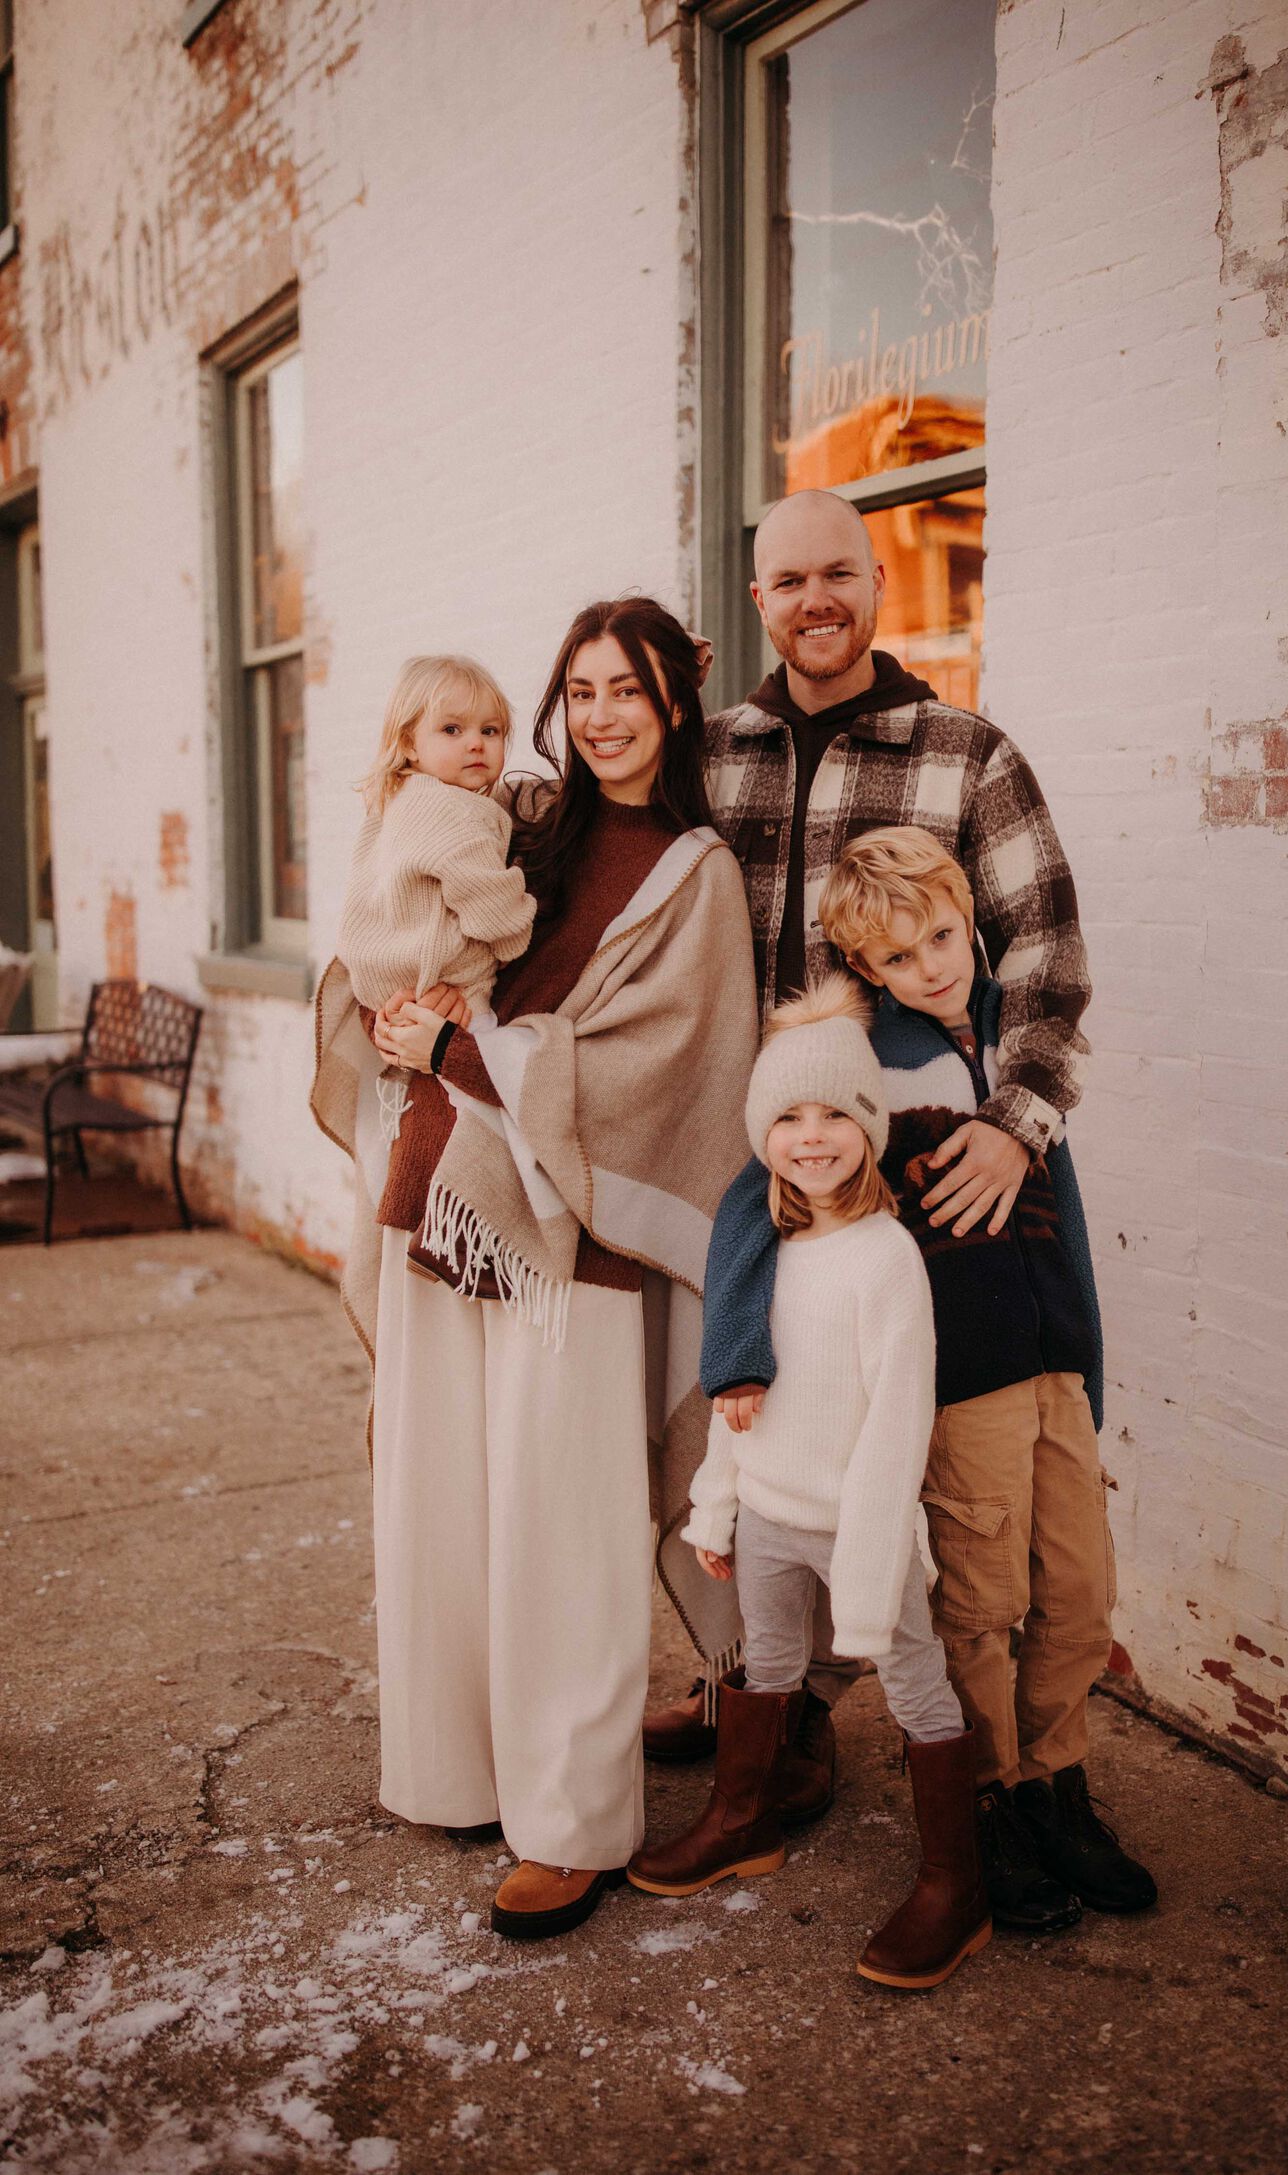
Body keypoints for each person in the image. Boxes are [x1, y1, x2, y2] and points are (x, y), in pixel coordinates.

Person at [646, 486, 1094, 1833]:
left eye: (837, 571)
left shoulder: (966, 751)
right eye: (787, 581)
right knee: (748, 1433)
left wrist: (1015, 1131)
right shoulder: (711, 757)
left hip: (937, 1180)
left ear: (878, 579)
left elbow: (1046, 957)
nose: (814, 599)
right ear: (758, 599)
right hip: (776, 1179)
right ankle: (759, 1691)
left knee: (927, 1458)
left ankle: (987, 1771)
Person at [310, 598, 757, 1941]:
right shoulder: (526, 825)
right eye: (581, 688)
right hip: (449, 1190)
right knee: (441, 1495)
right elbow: (399, 874)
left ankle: (569, 1820)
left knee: (559, 1530)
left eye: (629, 688)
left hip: (579, 1232)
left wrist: (467, 1051)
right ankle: (454, 1766)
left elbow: (664, 1068)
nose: (602, 712)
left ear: (675, 704)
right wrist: (402, 1018)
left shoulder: (696, 872)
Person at [704, 826, 1156, 1928]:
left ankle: (1059, 1785)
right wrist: (737, 1355)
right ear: (865, 970)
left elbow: (1064, 1207)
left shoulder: (1019, 1032)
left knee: (1077, 1591)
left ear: (969, 919)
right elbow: (752, 1199)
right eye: (901, 958)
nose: (933, 967)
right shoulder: (866, 1060)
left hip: (1051, 1350)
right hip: (962, 1372)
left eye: (944, 938)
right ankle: (992, 1799)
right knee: (985, 1598)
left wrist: (1089, 1356)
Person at [628, 976, 991, 1991]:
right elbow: (737, 1401)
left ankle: (953, 1886)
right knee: (767, 1665)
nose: (812, 1135)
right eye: (788, 1116)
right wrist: (715, 1506)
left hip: (860, 1525)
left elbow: (895, 1428)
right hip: (773, 1520)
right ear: (761, 1133)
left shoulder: (885, 1261)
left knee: (916, 1686)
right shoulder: (764, 1254)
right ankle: (741, 1822)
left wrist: (874, 1568)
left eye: (835, 1113)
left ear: (869, 1128)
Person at [336, 654, 535, 1099]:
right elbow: (494, 913)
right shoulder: (454, 812)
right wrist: (516, 934)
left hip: (392, 993)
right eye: (452, 730)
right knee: (495, 1103)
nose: (476, 744)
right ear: (409, 742)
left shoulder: (393, 802)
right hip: (455, 994)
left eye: (491, 730)